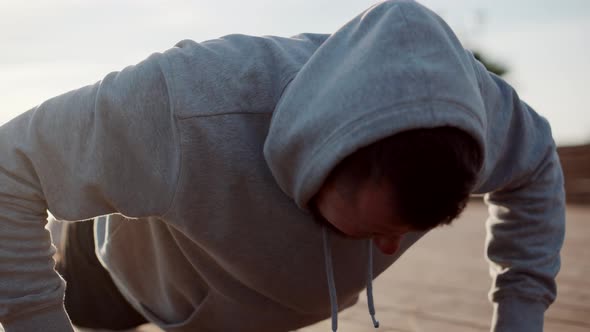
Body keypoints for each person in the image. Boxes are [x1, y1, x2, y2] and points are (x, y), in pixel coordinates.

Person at [0, 1, 565, 331]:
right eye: (376, 228)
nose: (387, 251)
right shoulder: (189, 100)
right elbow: (8, 164)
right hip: (120, 270)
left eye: (406, 231)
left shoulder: (484, 119)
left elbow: (538, 164)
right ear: (316, 152)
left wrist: (519, 317)